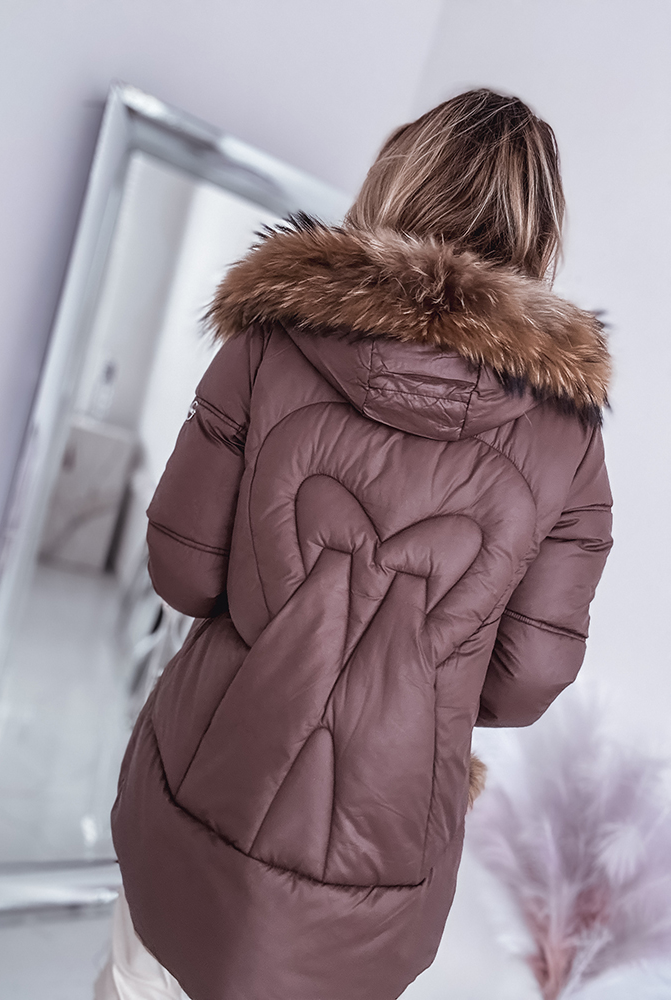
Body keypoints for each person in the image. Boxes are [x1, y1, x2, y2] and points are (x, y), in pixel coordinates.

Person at [100, 88, 613, 1000]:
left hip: (207, 778)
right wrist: (411, 679)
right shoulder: (568, 437)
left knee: (139, 985)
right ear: (540, 229)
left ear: (400, 178)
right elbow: (528, 678)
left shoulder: (270, 344)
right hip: (385, 843)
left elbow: (182, 571)